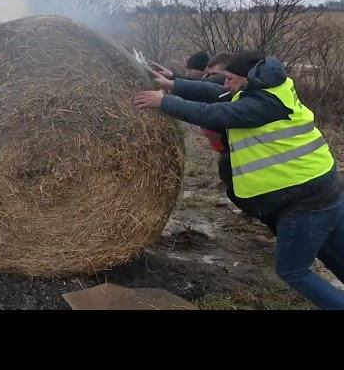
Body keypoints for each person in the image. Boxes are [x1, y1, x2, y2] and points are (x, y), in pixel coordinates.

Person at [134, 52, 344, 309]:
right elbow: (215, 93)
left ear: (246, 79)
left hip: (305, 199)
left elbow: (212, 113)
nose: (225, 85)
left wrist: (164, 102)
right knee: (333, 251)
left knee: (293, 270)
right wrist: (173, 83)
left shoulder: (261, 106)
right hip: (322, 187)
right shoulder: (267, 87)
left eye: (230, 79)